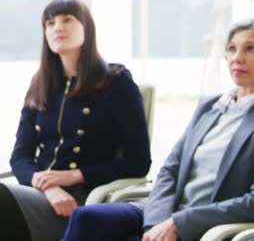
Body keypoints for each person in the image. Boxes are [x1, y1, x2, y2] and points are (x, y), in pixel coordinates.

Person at [0, 0, 152, 241]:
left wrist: (73, 175)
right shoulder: (41, 82)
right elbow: (20, 157)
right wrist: (49, 187)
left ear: (87, 28)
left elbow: (138, 162)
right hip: (41, 194)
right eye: (49, 23)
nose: (57, 27)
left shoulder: (116, 81)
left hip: (81, 201)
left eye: (67, 19)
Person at [62, 20, 254, 241]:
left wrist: (179, 223)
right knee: (86, 218)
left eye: (250, 48)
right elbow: (170, 170)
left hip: (207, 226)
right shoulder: (211, 107)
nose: (237, 58)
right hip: (164, 212)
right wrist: (157, 223)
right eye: (232, 48)